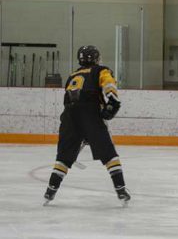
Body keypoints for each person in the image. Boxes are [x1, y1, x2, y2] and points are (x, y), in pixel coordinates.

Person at [43, 45, 130, 206]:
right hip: (90, 113)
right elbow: (109, 86)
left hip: (69, 117)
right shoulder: (100, 70)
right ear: (96, 58)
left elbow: (68, 100)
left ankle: (50, 190)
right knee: (109, 154)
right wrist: (112, 103)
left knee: (63, 157)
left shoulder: (72, 75)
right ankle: (120, 188)